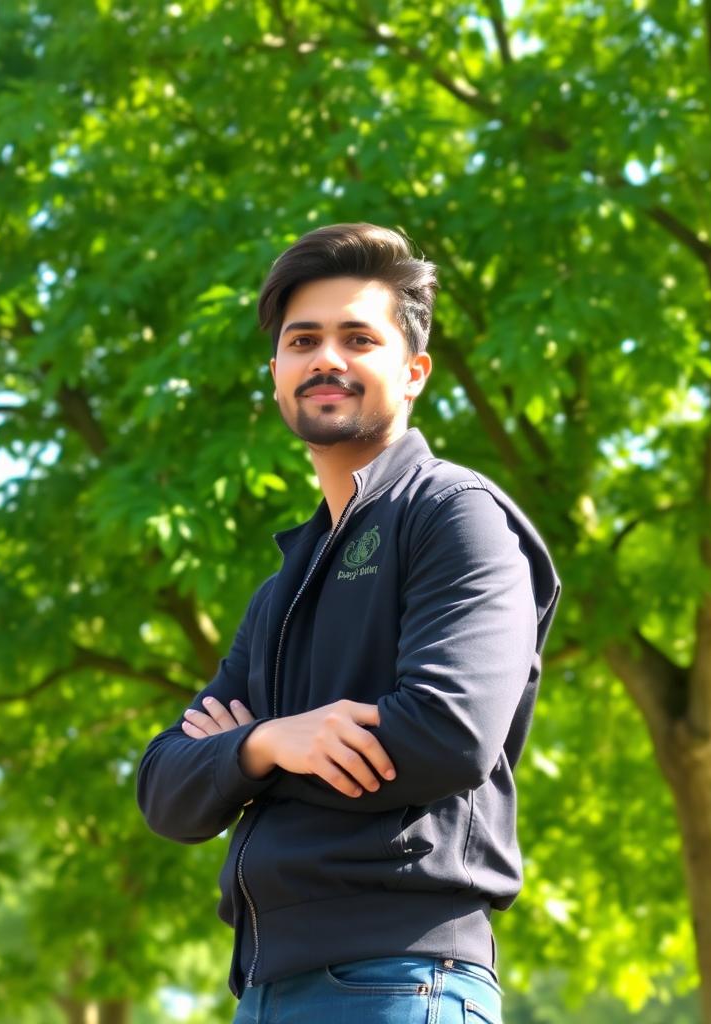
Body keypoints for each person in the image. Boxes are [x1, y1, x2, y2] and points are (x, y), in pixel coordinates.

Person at [136, 223, 560, 1023]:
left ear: (414, 372)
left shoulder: (452, 516)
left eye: (357, 337)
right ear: (276, 373)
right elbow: (165, 788)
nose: (326, 358)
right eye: (304, 340)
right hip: (264, 991)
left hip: (401, 980)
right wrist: (267, 742)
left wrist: (239, 766)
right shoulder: (281, 588)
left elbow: (447, 732)